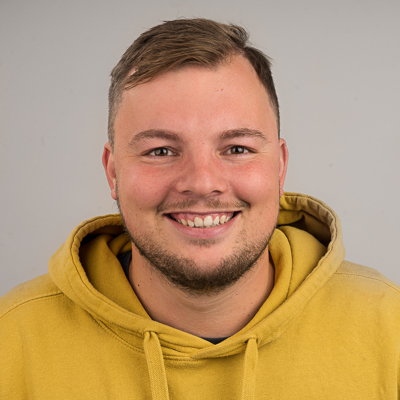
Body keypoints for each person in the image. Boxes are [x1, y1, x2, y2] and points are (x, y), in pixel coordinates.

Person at [1, 18, 399, 400]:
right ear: (113, 172)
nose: (202, 182)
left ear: (279, 167)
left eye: (237, 148)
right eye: (161, 151)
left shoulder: (388, 326)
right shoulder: (11, 340)